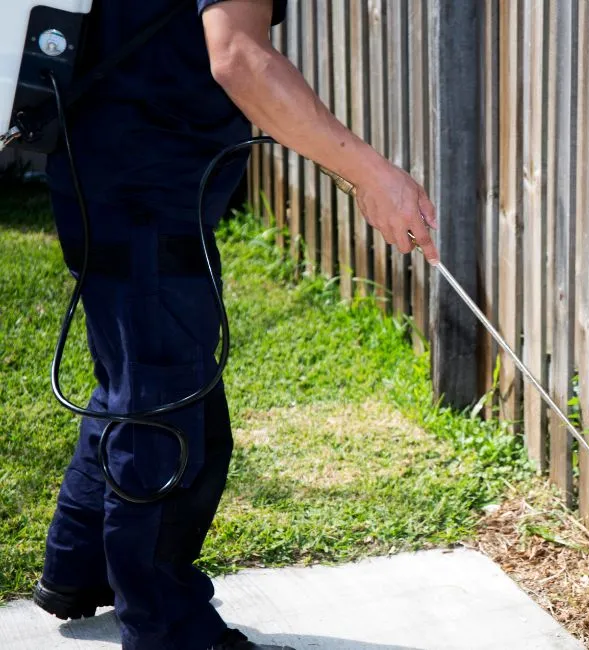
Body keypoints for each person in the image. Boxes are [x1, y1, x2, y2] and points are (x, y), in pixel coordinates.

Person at [33, 1, 439, 648]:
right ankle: (168, 629)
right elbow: (240, 59)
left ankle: (79, 569)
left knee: (134, 377)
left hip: (94, 159)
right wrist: (370, 173)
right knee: (171, 416)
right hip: (144, 186)